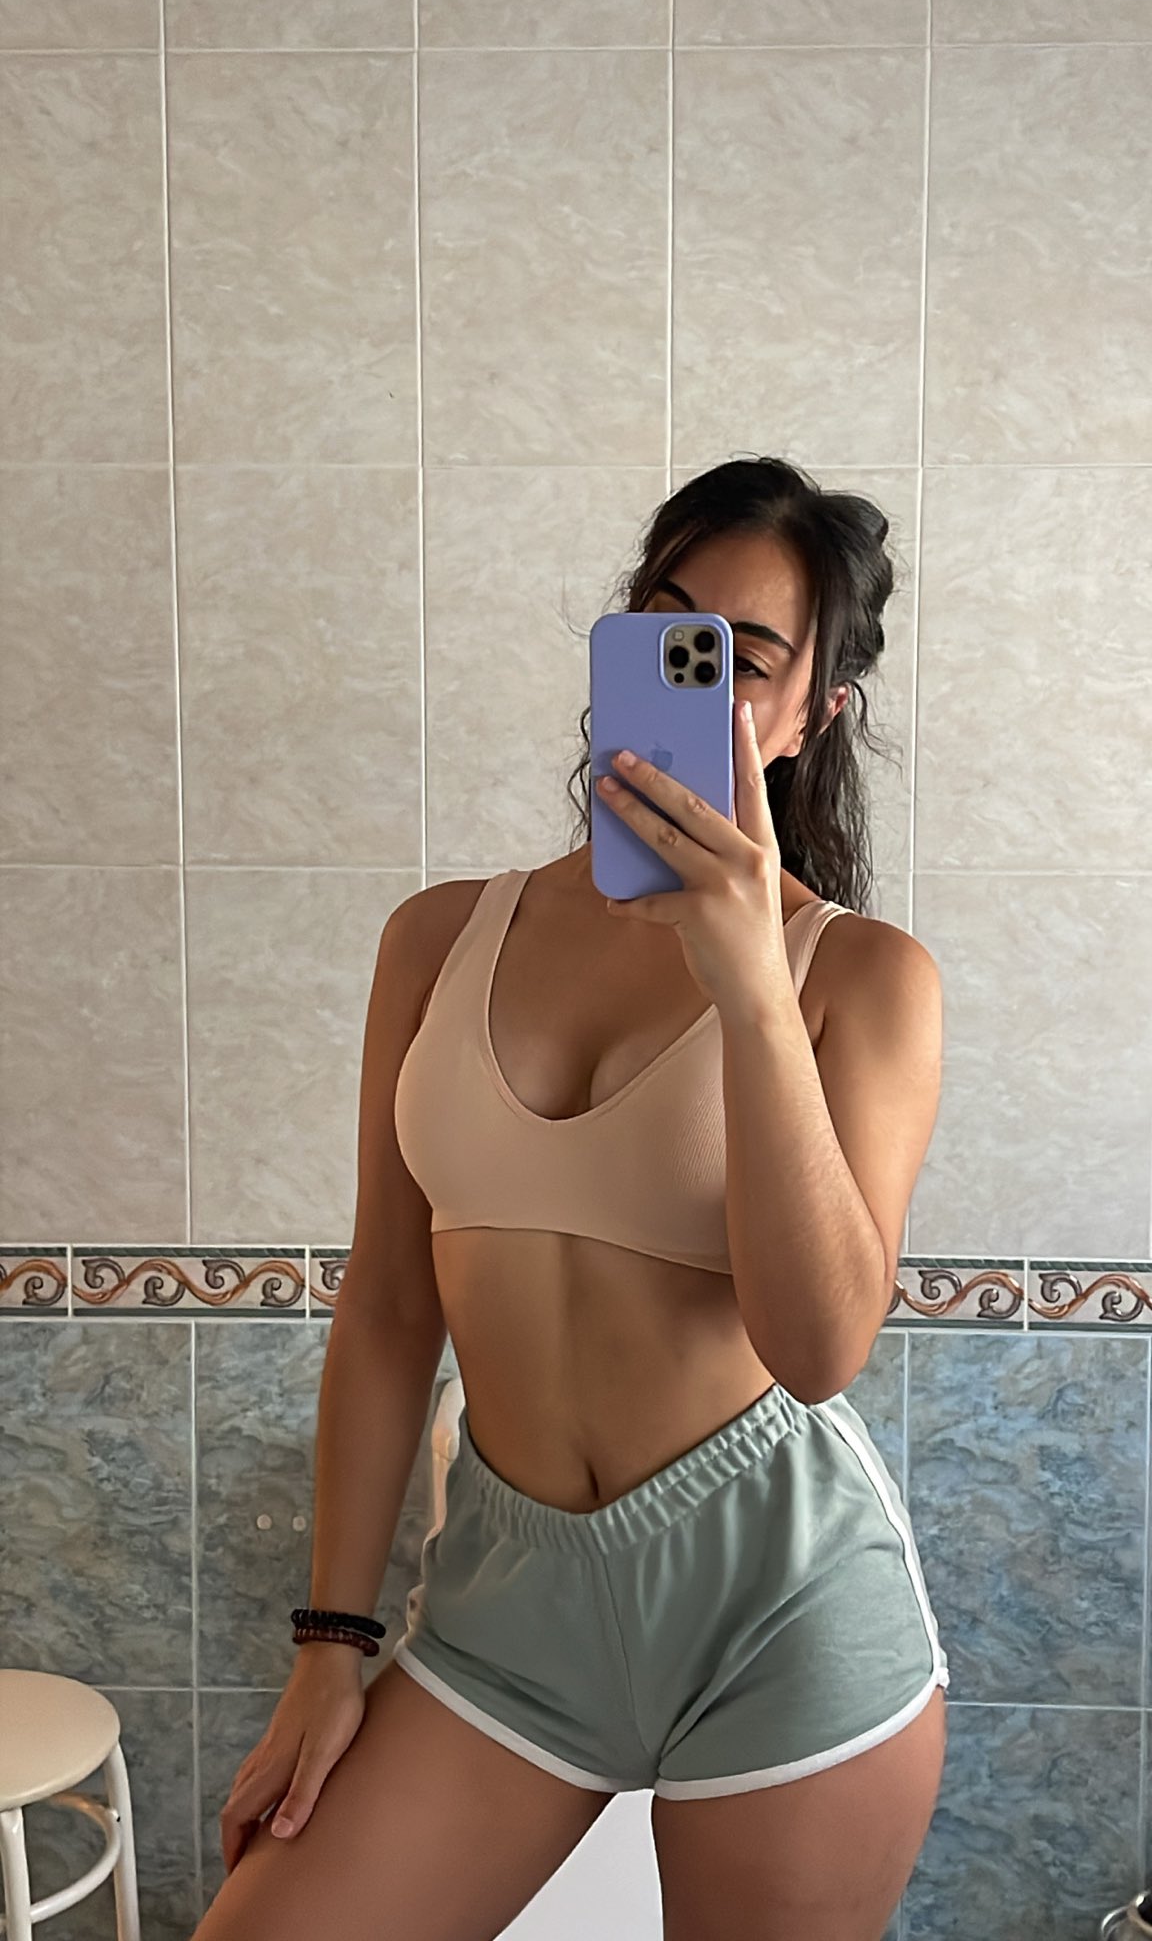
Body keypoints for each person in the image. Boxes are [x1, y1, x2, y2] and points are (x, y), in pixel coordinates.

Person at [192, 456, 948, 1941]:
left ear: (814, 715)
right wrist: (330, 1646)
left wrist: (748, 983)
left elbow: (818, 1352)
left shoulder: (862, 978)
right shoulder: (438, 939)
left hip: (781, 1618)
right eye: (663, 622)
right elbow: (389, 1308)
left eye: (745, 657)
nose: (690, 667)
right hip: (507, 1613)